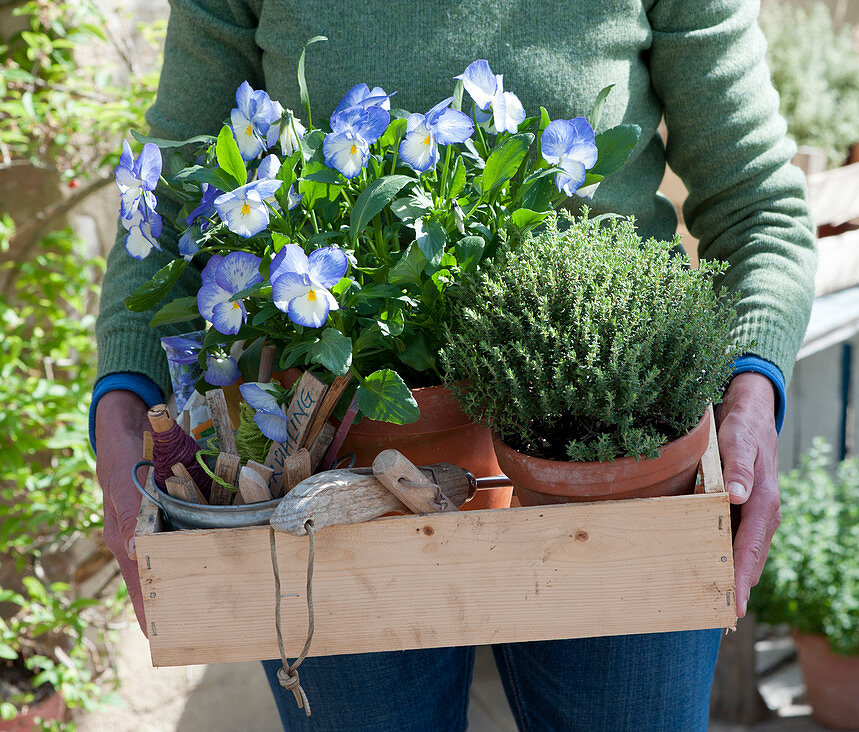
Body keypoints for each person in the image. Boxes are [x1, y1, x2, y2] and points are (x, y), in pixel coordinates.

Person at [93, 0, 816, 729]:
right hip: (334, 474)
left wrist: (752, 388)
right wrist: (122, 405)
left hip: (617, 454)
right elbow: (165, 218)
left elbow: (758, 204)